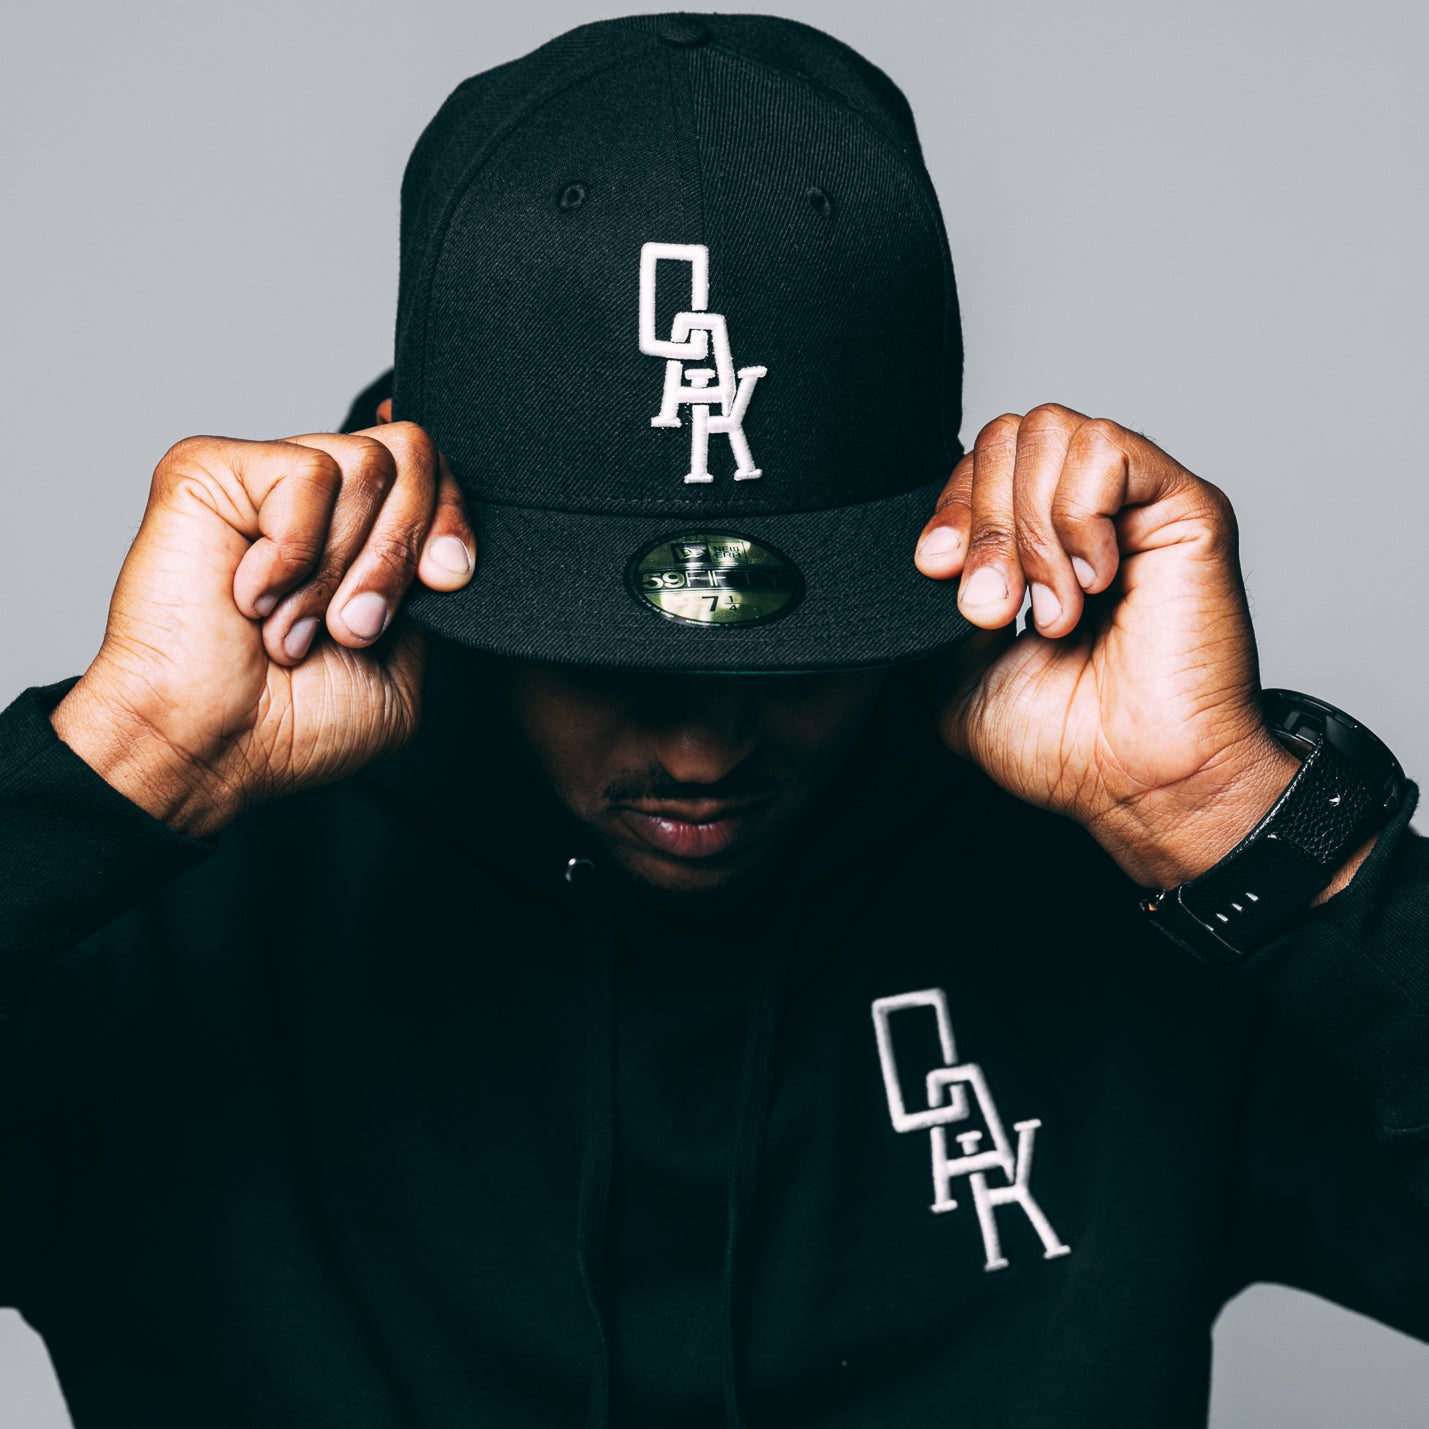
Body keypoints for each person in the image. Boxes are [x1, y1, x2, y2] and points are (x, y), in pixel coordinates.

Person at [2, 12, 1425, 1428]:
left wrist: (1232, 820)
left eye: (794, 658)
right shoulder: (163, 928)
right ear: (428, 535)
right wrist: (117, 770)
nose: (699, 751)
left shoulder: (1140, 900)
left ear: (932, 542)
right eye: (598, 657)